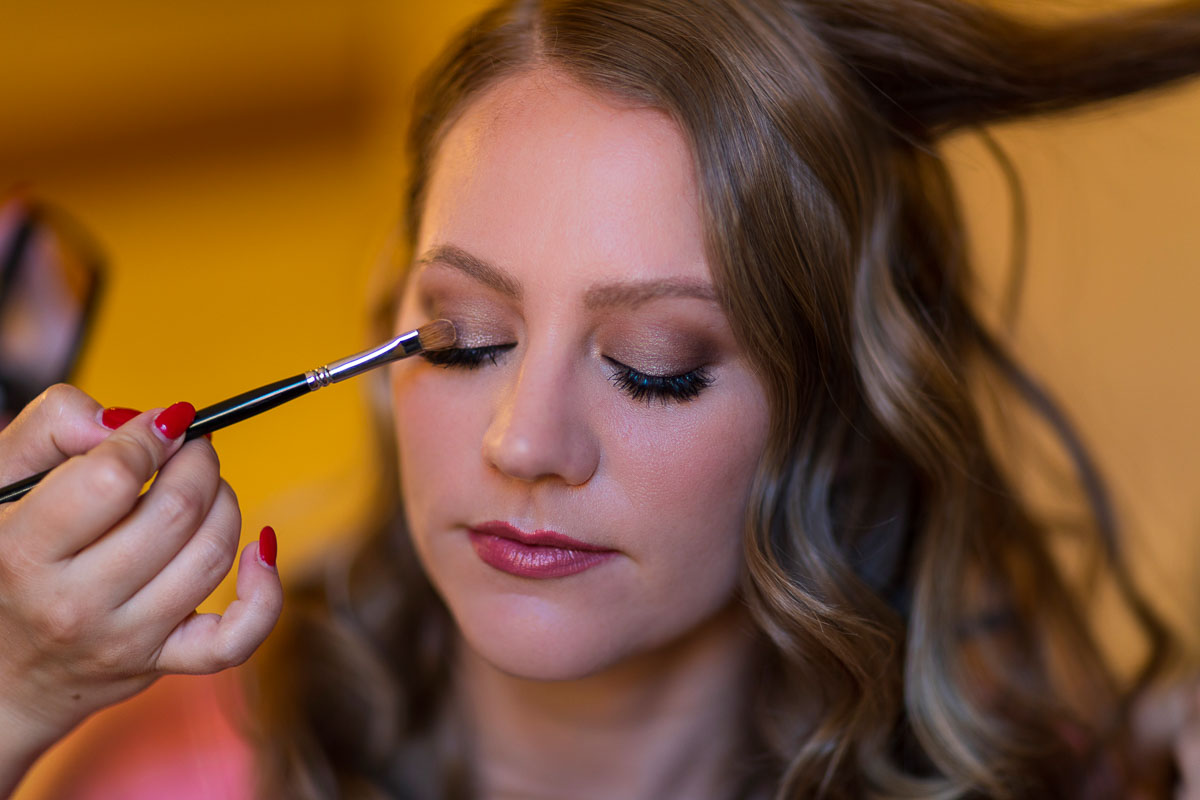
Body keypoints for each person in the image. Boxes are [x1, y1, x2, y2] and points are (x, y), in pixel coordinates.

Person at [3, 0, 1200, 798]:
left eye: (656, 364)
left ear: (835, 412)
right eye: (463, 338)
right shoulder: (186, 767)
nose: (524, 440)